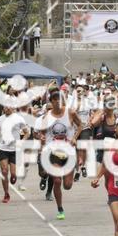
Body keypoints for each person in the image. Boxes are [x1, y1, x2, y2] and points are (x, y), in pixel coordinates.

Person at [38, 88, 81, 220]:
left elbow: (80, 126)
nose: (57, 102)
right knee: (56, 181)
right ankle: (60, 208)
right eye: (54, 100)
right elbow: (42, 133)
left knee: (67, 185)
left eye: (59, 99)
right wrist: (42, 140)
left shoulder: (70, 112)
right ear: (51, 101)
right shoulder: (47, 116)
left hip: (69, 152)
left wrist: (74, 137)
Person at [0, 105, 28, 202]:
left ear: (13, 108)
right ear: (3, 108)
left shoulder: (19, 119)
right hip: (2, 148)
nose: (7, 108)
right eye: (5, 107)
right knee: (4, 171)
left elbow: (27, 133)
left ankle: (13, 176)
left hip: (15, 150)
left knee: (13, 173)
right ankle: (6, 194)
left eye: (9, 107)